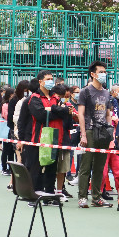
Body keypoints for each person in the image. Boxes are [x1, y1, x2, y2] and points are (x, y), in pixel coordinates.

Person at [77, 61, 114, 208]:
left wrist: (110, 133)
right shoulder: (85, 92)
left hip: (103, 132)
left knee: (100, 167)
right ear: (93, 74)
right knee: (86, 166)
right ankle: (82, 197)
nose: (104, 74)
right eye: (101, 72)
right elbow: (81, 114)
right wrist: (83, 134)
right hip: (90, 131)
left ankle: (97, 197)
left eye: (105, 72)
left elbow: (108, 114)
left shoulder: (106, 92)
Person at [28, 71, 70, 199]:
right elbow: (40, 115)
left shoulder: (55, 97)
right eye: (48, 79)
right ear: (40, 82)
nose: (51, 81)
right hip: (39, 138)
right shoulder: (34, 98)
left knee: (52, 168)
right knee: (37, 168)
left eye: (52, 78)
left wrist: (51, 109)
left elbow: (65, 112)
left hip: (55, 138)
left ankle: (50, 195)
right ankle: (34, 195)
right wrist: (57, 110)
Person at [0, 87, 15, 176]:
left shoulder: (13, 104)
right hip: (6, 128)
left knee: (12, 150)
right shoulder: (5, 105)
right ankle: (4, 167)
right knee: (6, 149)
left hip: (12, 129)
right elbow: (6, 116)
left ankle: (11, 168)